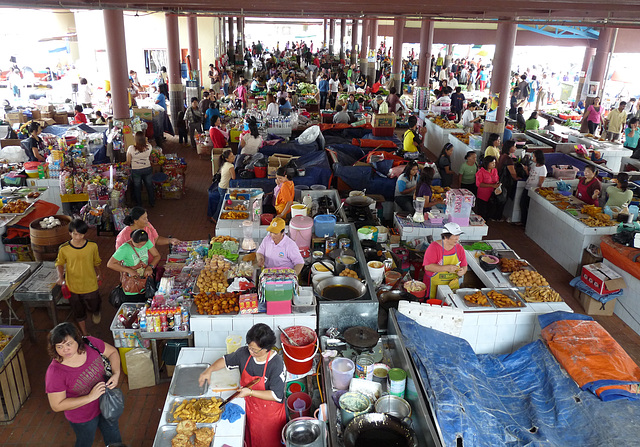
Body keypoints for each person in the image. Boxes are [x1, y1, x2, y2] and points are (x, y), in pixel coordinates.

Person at [198, 323, 286, 447]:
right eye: (249, 347)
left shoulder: (276, 364)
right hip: (250, 409)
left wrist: (250, 392)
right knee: (250, 439)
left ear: (266, 349)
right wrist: (210, 369)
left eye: (254, 350)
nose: (250, 351)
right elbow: (225, 360)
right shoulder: (244, 353)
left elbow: (276, 395)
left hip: (269, 417)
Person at [46, 323, 122, 447]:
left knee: (113, 436)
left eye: (69, 344)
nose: (65, 350)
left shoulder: (90, 344)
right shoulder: (55, 372)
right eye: (59, 347)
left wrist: (116, 373)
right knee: (85, 441)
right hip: (83, 417)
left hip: (106, 403)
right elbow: (56, 405)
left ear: (78, 340)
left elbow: (112, 352)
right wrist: (90, 397)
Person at [55, 219, 102, 336]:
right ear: (70, 233)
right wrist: (60, 277)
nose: (78, 237)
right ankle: (85, 332)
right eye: (75, 234)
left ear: (85, 234)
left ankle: (96, 312)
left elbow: (96, 261)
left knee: (94, 303)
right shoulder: (64, 248)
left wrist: (99, 273)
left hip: (90, 283)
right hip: (73, 285)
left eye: (80, 234)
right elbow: (59, 263)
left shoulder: (92, 246)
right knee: (78, 310)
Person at [107, 229, 160, 302]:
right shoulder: (124, 248)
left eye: (142, 245)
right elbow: (110, 264)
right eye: (137, 244)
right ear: (131, 239)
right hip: (131, 285)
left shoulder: (147, 242)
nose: (140, 246)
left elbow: (157, 256)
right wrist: (128, 270)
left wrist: (150, 267)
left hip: (145, 282)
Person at [115, 206, 180, 264]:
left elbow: (156, 239)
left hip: (150, 265)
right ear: (136, 221)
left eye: (146, 217)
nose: (147, 220)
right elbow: (118, 259)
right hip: (134, 271)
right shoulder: (123, 236)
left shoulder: (147, 226)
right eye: (144, 218)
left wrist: (170, 240)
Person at [422, 222, 468, 300]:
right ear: (446, 236)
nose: (458, 238)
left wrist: (463, 271)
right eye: (455, 235)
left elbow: (464, 266)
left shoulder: (459, 248)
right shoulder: (434, 247)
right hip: (434, 286)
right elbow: (428, 267)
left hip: (452, 287)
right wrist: (447, 268)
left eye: (458, 235)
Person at [125, 131, 155, 208]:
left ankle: (139, 204)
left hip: (136, 170)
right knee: (149, 186)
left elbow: (128, 162)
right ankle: (152, 202)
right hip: (147, 168)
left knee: (137, 187)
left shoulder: (131, 148)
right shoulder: (149, 147)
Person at [520, 149, 547, 226]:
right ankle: (523, 222)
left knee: (529, 206)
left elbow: (540, 182)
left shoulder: (543, 169)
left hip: (533, 190)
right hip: (527, 187)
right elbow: (530, 175)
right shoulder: (533, 165)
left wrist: (537, 191)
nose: (533, 158)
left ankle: (527, 224)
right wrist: (526, 170)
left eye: (534, 157)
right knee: (522, 204)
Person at [475, 155, 500, 220]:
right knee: (482, 213)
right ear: (487, 163)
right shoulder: (481, 172)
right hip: (482, 195)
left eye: (494, 163)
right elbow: (479, 184)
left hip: (492, 195)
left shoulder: (494, 170)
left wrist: (497, 184)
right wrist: (492, 185)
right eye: (492, 163)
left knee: (489, 212)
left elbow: (496, 179)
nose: (494, 164)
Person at [214, 150, 236, 219]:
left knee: (222, 202)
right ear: (227, 159)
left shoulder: (224, 164)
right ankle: (215, 217)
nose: (233, 157)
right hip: (224, 188)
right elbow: (234, 177)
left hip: (220, 186)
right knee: (222, 204)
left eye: (233, 155)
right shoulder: (231, 166)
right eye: (231, 156)